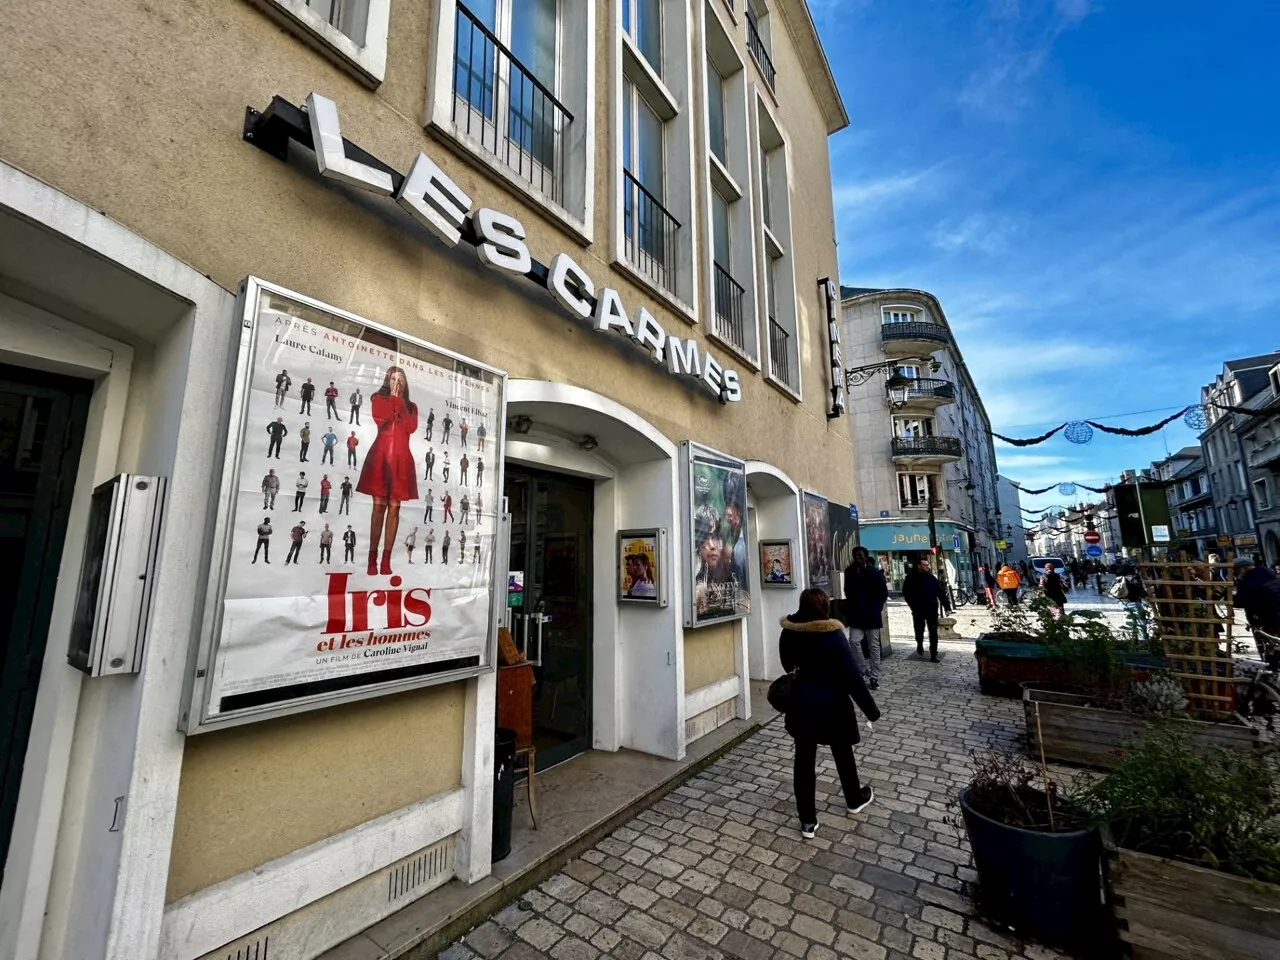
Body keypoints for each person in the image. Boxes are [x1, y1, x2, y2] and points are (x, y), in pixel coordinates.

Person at [780, 588, 881, 839]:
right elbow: (852, 676)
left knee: (803, 759)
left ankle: (807, 821)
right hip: (833, 703)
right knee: (842, 752)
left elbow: (786, 663)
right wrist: (871, 710)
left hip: (802, 702)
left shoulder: (789, 631)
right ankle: (853, 798)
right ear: (824, 607)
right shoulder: (833, 635)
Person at [357, 366, 419, 576]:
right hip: (381, 456)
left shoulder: (411, 406)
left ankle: (386, 560)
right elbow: (380, 419)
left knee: (395, 508)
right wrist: (392, 398)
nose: (397, 382)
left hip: (401, 459)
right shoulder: (378, 398)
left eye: (400, 379)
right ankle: (371, 559)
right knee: (378, 507)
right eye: (393, 378)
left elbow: (410, 428)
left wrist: (400, 401)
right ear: (387, 380)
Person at [842, 546, 888, 690]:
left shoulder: (875, 572)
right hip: (857, 614)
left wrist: (873, 607)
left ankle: (874, 676)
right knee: (854, 642)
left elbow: (882, 593)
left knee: (873, 646)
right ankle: (863, 670)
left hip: (871, 614)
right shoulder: (850, 572)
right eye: (856, 556)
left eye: (861, 555)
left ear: (866, 556)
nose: (859, 558)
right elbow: (847, 591)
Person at [1233, 557, 1280, 661]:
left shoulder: (1247, 582)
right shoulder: (1273, 576)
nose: (1234, 573)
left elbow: (1240, 602)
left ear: (1243, 568)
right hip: (1276, 618)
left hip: (1265, 622)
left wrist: (1226, 595)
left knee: (1270, 653)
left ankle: (1272, 671)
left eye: (1235, 570)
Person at [902, 557, 949, 661]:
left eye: (928, 565)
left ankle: (933, 654)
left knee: (933, 632)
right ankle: (919, 643)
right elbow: (906, 593)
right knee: (919, 630)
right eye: (925, 565)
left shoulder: (931, 578)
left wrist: (947, 606)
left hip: (931, 609)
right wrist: (912, 606)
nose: (928, 567)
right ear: (919, 566)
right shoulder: (911, 578)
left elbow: (940, 592)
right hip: (918, 609)